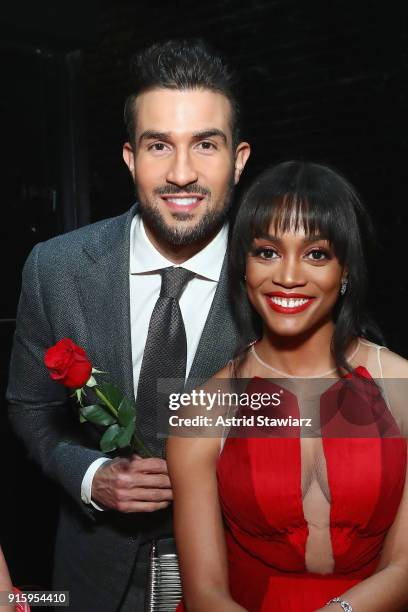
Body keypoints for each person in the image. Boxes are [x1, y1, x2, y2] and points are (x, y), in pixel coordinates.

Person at [6, 39, 251, 611]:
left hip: (237, 583)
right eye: (159, 145)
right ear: (129, 158)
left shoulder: (285, 279)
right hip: (87, 580)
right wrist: (91, 475)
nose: (182, 173)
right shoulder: (57, 268)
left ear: (239, 159)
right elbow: (29, 408)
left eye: (205, 145)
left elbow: (346, 422)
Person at [168, 161, 408, 611]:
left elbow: (404, 567)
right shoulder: (204, 407)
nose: (289, 276)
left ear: (346, 270)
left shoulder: (402, 387)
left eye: (316, 254)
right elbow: (204, 595)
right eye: (267, 252)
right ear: (243, 266)